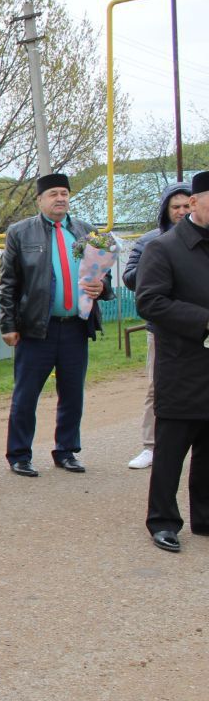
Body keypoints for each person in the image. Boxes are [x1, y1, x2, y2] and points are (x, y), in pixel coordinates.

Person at [0, 173, 113, 477]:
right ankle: (20, 454)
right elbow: (8, 283)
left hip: (76, 326)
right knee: (26, 395)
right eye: (53, 194)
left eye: (64, 193)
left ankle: (66, 450)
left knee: (72, 393)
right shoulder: (21, 233)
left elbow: (105, 277)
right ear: (40, 200)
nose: (60, 198)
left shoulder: (86, 232)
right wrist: (8, 324)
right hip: (37, 328)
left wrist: (101, 288)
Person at [135, 170, 209, 553]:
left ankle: (205, 516)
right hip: (182, 365)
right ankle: (163, 520)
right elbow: (150, 301)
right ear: (193, 204)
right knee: (171, 449)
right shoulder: (164, 248)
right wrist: (204, 321)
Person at [121, 181, 193, 469]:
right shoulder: (152, 240)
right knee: (157, 387)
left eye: (187, 205)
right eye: (176, 207)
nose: (181, 211)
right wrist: (159, 269)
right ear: (166, 210)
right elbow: (129, 277)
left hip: (200, 324)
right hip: (162, 328)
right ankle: (151, 446)